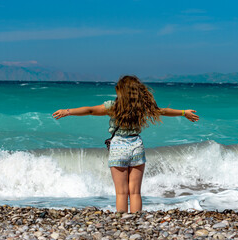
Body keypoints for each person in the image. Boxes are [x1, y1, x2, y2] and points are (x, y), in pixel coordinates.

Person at [52, 75, 199, 213]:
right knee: (135, 192)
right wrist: (183, 112)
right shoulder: (142, 107)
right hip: (136, 146)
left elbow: (90, 110)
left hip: (118, 148)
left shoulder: (113, 107)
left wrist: (68, 111)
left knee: (121, 192)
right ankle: (136, 221)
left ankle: (122, 220)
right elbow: (164, 111)